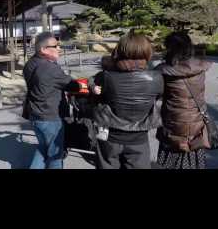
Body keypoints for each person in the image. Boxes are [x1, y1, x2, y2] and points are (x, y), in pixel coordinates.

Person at [89, 32, 164, 169]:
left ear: (120, 50)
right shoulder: (156, 78)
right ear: (147, 51)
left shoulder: (106, 77)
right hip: (139, 138)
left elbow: (93, 84)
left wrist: (93, 87)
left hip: (110, 136)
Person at [22, 31, 86, 169]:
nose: (59, 48)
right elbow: (74, 85)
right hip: (50, 117)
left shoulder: (30, 63)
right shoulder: (50, 69)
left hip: (34, 114)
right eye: (55, 46)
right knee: (55, 155)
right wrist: (87, 85)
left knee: (43, 148)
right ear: (43, 49)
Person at [155, 32, 212, 169]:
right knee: (193, 161)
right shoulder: (199, 68)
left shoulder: (164, 70)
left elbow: (156, 94)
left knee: (168, 162)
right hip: (195, 125)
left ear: (170, 48)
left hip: (172, 125)